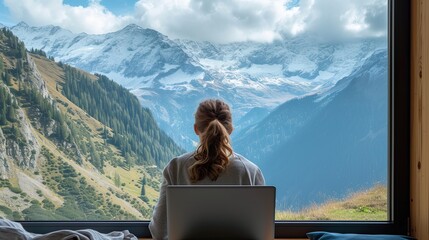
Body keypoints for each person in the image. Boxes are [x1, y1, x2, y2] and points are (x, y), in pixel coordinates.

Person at [148, 99, 265, 240]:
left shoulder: (176, 167)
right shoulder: (250, 171)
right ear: (231, 130)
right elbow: (261, 233)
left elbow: (159, 231)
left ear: (196, 128)